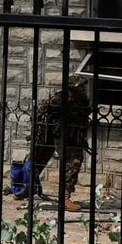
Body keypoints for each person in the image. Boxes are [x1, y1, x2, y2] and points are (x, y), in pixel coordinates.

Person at [12, 76, 91, 211]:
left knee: (74, 160)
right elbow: (42, 111)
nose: (81, 89)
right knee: (38, 161)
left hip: (72, 136)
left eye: (82, 86)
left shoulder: (82, 99)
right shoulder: (60, 98)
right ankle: (25, 190)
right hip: (54, 134)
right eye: (78, 87)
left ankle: (65, 196)